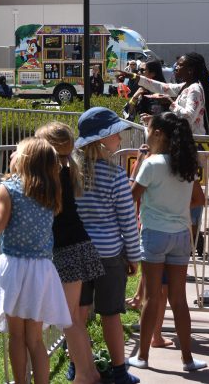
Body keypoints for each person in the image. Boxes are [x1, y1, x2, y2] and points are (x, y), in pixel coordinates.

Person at [0, 137, 71, 384]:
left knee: (16, 337)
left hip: (16, 268)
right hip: (41, 270)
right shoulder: (50, 189)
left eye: (16, 152)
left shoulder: (9, 187)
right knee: (35, 339)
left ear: (26, 160)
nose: (11, 156)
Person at [127, 112, 208, 373]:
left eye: (148, 129)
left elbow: (132, 197)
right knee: (179, 299)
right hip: (181, 235)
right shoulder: (185, 163)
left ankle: (142, 356)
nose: (146, 134)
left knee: (151, 297)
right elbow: (199, 199)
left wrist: (139, 163)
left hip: (154, 234)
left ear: (159, 134)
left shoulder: (152, 164)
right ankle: (187, 359)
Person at [73, 107, 142, 384]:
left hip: (78, 252)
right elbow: (128, 220)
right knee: (111, 314)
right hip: (109, 254)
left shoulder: (71, 175)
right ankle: (118, 370)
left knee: (77, 315)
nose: (120, 140)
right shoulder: (115, 177)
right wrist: (133, 256)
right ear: (102, 141)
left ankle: (79, 365)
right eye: (116, 135)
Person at [36, 122, 104, 384]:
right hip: (78, 247)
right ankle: (90, 371)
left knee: (69, 319)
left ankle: (85, 374)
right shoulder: (65, 171)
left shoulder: (50, 177)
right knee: (73, 317)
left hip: (68, 250)